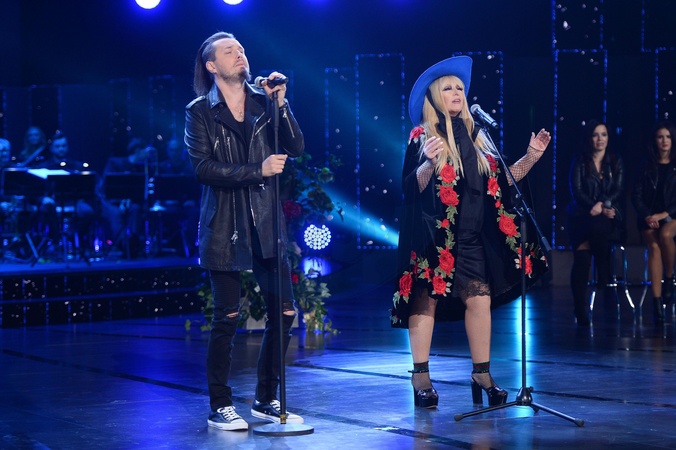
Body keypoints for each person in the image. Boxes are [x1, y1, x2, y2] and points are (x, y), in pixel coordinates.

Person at [390, 56, 550, 409]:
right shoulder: (423, 136)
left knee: (479, 301)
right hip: (435, 237)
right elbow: (411, 187)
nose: (457, 93)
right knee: (425, 300)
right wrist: (428, 163)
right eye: (448, 88)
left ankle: (482, 374)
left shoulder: (478, 136)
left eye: (460, 88)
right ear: (435, 96)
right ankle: (421, 376)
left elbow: (502, 181)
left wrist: (531, 157)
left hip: (473, 235)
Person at [185, 31, 305, 431]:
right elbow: (203, 168)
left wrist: (281, 104)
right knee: (227, 317)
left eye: (240, 48)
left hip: (266, 221)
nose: (239, 54)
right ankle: (220, 404)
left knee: (284, 312)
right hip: (225, 224)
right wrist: (258, 170)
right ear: (211, 66)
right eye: (228, 51)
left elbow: (296, 146)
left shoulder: (264, 101)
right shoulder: (200, 111)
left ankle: (266, 398)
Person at [566, 121, 624, 326]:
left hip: (606, 215)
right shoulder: (580, 161)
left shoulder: (615, 161)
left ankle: (601, 268)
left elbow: (617, 189)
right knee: (582, 258)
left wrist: (602, 205)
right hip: (581, 215)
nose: (600, 139)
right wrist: (593, 206)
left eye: (604, 134)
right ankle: (601, 273)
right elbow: (576, 190)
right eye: (595, 135)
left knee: (598, 227)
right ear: (589, 138)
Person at [631, 121, 676, 323]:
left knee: (665, 234)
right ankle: (657, 302)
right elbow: (636, 196)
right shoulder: (645, 165)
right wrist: (647, 215)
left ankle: (669, 278)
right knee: (654, 247)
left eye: (667, 137)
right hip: (648, 217)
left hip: (672, 215)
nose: (664, 141)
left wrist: (664, 214)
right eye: (660, 137)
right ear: (655, 140)